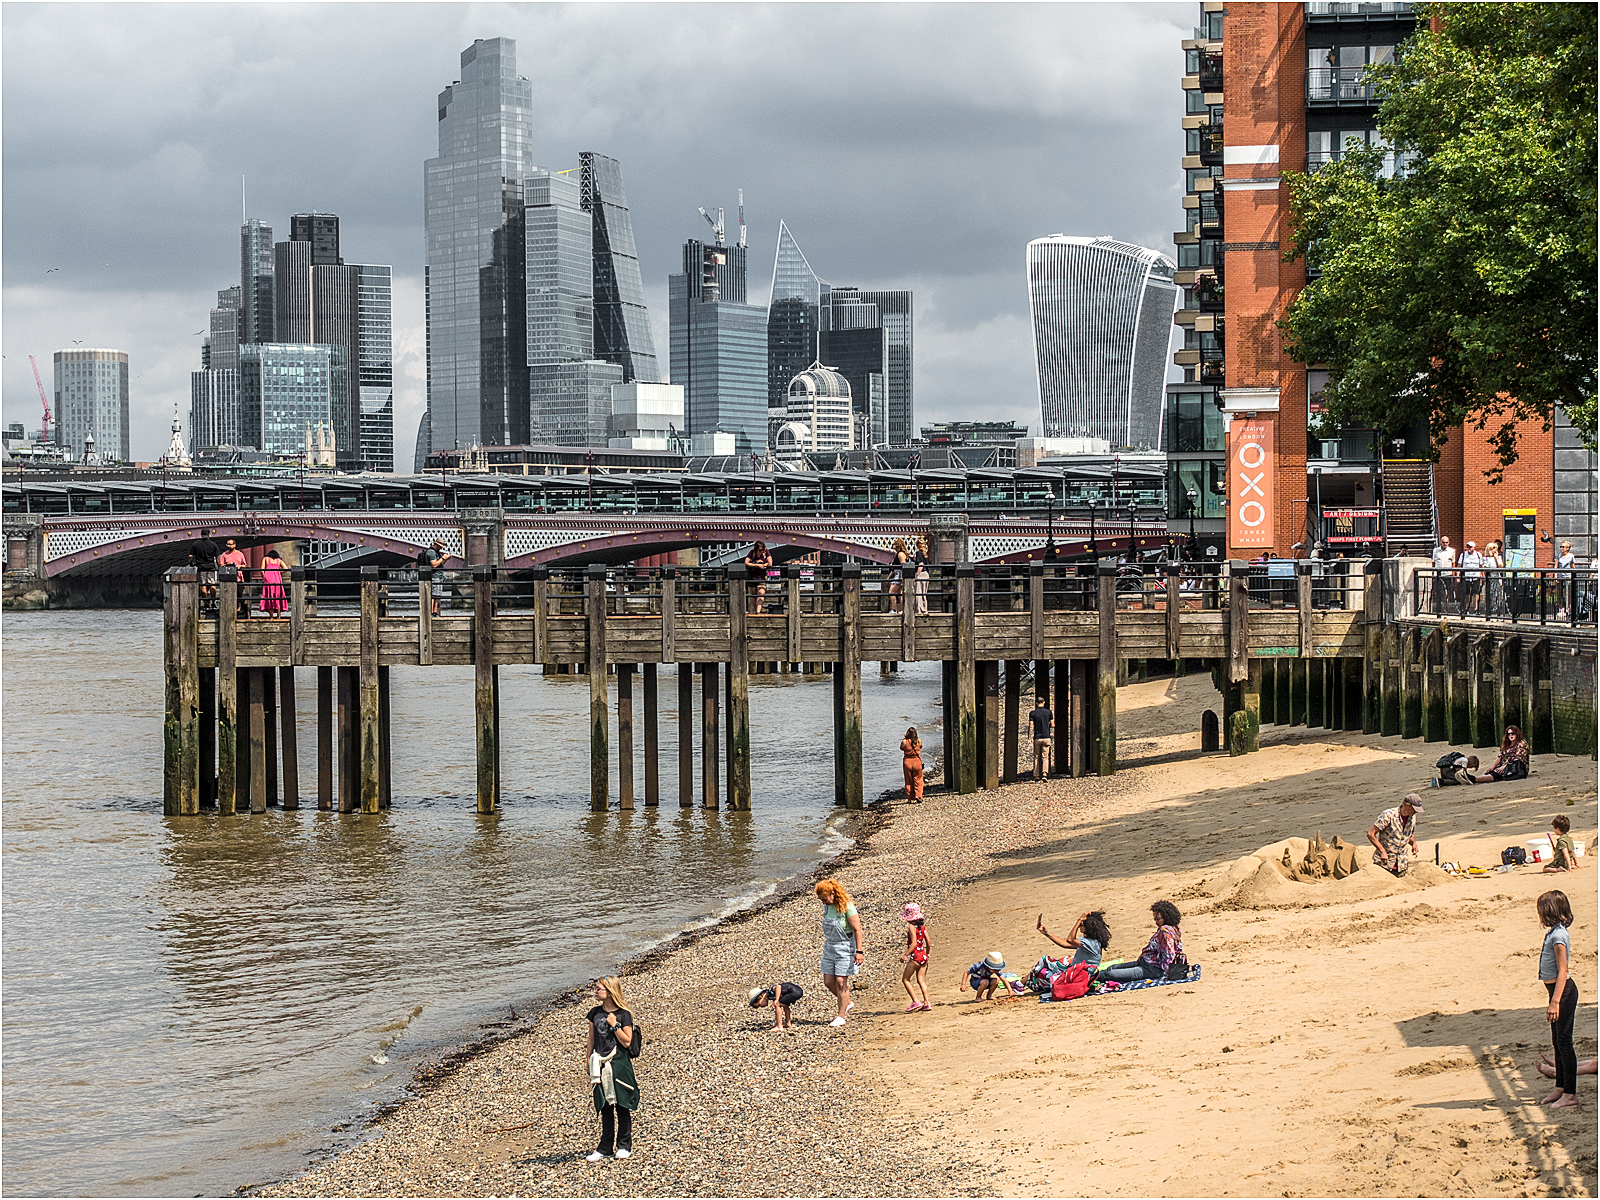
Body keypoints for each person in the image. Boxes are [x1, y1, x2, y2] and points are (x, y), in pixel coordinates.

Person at [583, 976, 639, 1160]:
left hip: (619, 1062)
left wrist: (615, 1025)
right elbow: (591, 1039)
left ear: (610, 991)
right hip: (599, 1063)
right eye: (595, 988)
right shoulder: (595, 1013)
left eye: (598, 988)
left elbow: (627, 1041)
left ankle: (624, 1145)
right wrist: (588, 1060)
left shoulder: (624, 1014)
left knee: (622, 1104)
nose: (595, 991)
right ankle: (605, 1148)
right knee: (604, 1106)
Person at [1535, 890, 1580, 1109]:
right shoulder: (1554, 933)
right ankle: (1560, 1087)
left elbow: (1563, 971)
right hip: (1556, 992)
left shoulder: (1559, 936)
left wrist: (1555, 1002)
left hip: (1563, 993)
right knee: (1557, 1042)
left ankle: (1570, 1094)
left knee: (1564, 1042)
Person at [1096, 901, 1186, 983]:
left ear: (1166, 918)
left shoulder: (1165, 931)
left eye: (1158, 919)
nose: (1155, 922)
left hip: (1153, 969)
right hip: (1145, 962)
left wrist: (1166, 971)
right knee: (1112, 968)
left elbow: (1170, 953)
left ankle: (1090, 977)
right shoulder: (1174, 928)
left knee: (1111, 974)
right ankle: (1091, 976)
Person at [815, 879, 864, 1028]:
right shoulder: (827, 907)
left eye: (825, 899)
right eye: (821, 900)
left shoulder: (847, 907)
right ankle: (846, 1002)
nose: (823, 902)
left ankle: (841, 1016)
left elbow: (857, 930)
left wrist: (859, 952)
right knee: (828, 981)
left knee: (841, 981)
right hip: (829, 946)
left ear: (833, 893)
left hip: (845, 947)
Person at [1367, 793, 1422, 876]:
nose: (1416, 812)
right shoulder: (1388, 815)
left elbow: (1407, 834)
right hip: (1384, 864)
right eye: (1415, 809)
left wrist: (1413, 843)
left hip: (1401, 865)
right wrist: (1382, 851)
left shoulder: (1412, 817)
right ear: (1407, 805)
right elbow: (1371, 834)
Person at [1036, 910, 1110, 970]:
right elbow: (1065, 944)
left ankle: (1028, 981)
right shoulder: (1092, 942)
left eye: (1081, 925)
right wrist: (1047, 933)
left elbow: (1070, 940)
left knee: (1044, 961)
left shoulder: (1090, 943)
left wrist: (1079, 920)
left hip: (1076, 976)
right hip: (1078, 973)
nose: (1080, 926)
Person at [899, 902, 932, 1011]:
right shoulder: (922, 927)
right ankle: (927, 1002)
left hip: (916, 956)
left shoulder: (912, 927)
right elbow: (928, 942)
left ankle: (915, 1001)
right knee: (921, 980)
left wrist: (905, 955)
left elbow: (913, 943)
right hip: (923, 955)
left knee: (905, 979)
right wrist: (928, 953)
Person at [218, 538, 251, 618]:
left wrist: (239, 566)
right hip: (227, 578)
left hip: (238, 577)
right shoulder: (224, 554)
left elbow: (244, 565)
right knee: (227, 594)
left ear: (234, 545)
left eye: (230, 544)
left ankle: (238, 610)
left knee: (239, 594)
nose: (228, 546)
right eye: (227, 544)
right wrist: (227, 564)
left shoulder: (240, 554)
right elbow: (220, 565)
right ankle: (228, 610)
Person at [417, 539, 447, 617]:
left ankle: (435, 611)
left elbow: (439, 564)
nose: (441, 548)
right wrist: (443, 558)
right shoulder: (431, 552)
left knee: (437, 595)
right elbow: (434, 565)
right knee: (433, 595)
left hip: (439, 576)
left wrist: (445, 559)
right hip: (434, 576)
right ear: (437, 545)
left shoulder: (436, 552)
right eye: (440, 546)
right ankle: (431, 612)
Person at [190, 529, 220, 606]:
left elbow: (190, 556)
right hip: (211, 567)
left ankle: (205, 603)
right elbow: (217, 558)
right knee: (212, 584)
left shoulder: (196, 544)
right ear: (209, 534)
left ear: (201, 534)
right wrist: (219, 566)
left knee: (203, 585)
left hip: (201, 567)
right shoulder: (213, 544)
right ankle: (213, 603)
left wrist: (191, 564)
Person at [257, 546, 289, 617]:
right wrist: (278, 572)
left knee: (269, 597)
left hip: (268, 579)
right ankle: (279, 616)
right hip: (277, 579)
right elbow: (286, 568)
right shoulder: (279, 560)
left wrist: (264, 577)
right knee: (278, 597)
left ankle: (271, 617)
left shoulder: (266, 559)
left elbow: (262, 569)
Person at [745, 540, 774, 614]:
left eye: (763, 549)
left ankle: (758, 612)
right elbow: (746, 563)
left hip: (761, 576)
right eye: (760, 550)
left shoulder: (766, 552)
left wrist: (764, 564)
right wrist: (757, 565)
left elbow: (770, 563)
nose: (762, 551)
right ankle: (756, 611)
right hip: (752, 575)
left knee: (761, 593)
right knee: (754, 595)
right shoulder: (752, 553)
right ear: (756, 549)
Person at [1028, 695, 1054, 779]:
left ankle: (1036, 776)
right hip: (1046, 737)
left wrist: (1029, 738)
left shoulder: (1032, 713)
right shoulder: (1049, 712)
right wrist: (1048, 724)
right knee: (1045, 757)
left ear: (1036, 703)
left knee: (1036, 757)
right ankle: (1044, 774)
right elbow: (1053, 725)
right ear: (1044, 702)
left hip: (1037, 737)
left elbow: (1031, 726)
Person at [1431, 536, 1457, 614]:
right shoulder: (1435, 550)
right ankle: (1438, 609)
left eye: (1446, 542)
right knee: (1438, 592)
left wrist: (1453, 574)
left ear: (1448, 542)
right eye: (1443, 542)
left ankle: (1445, 609)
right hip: (1438, 574)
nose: (1445, 544)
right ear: (1440, 542)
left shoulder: (1452, 551)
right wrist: (1433, 573)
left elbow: (1453, 563)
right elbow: (1433, 562)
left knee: (1446, 592)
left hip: (1447, 574)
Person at [901, 727, 924, 804]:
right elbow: (921, 747)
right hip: (917, 761)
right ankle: (918, 796)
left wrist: (905, 738)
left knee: (908, 780)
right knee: (918, 780)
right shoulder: (919, 741)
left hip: (907, 762)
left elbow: (901, 748)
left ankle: (910, 798)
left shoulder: (905, 741)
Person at [1460, 541, 1483, 614]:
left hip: (1476, 576)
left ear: (1474, 548)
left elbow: (1481, 566)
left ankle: (1476, 609)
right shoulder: (1463, 555)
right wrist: (1457, 577)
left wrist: (1482, 575)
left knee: (1476, 593)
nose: (1468, 548)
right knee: (1467, 593)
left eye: (1470, 547)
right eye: (1467, 547)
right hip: (1467, 576)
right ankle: (1466, 608)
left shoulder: (1478, 555)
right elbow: (1459, 565)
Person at [887, 538, 908, 614]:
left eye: (894, 544)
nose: (893, 545)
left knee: (891, 592)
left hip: (899, 574)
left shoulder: (900, 554)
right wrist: (889, 577)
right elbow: (894, 567)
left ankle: (894, 609)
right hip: (896, 573)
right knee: (900, 593)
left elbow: (903, 565)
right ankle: (902, 609)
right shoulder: (897, 554)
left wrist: (901, 577)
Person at [913, 535, 931, 616]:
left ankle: (919, 610)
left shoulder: (918, 553)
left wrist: (917, 575)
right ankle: (925, 609)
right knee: (924, 594)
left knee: (918, 593)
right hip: (926, 574)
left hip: (921, 574)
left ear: (917, 545)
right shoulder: (925, 554)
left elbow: (920, 564)